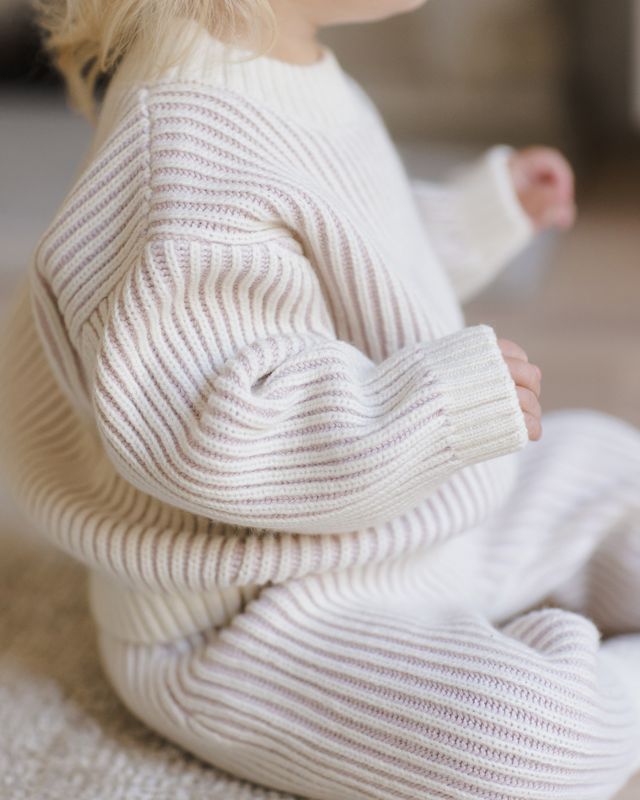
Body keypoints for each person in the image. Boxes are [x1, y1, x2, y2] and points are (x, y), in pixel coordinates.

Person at [1, 1, 640, 798]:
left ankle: (501, 616)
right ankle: (602, 691)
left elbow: (354, 266)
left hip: (418, 514)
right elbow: (212, 429)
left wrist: (479, 217)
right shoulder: (179, 145)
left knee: (617, 472)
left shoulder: (287, 66)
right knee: (524, 736)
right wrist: (432, 405)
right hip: (262, 601)